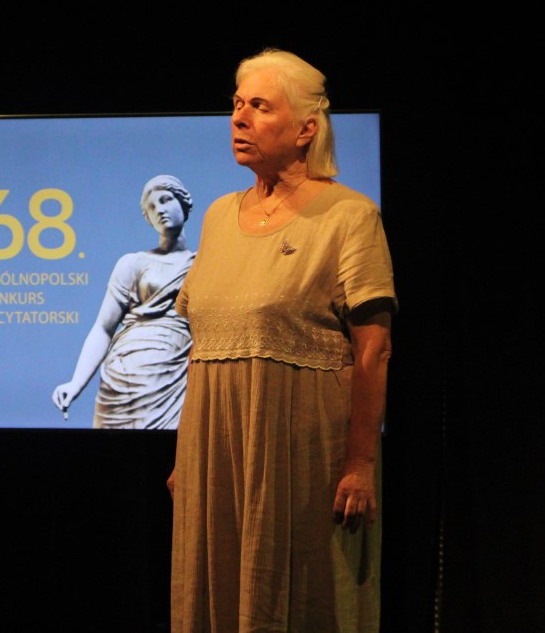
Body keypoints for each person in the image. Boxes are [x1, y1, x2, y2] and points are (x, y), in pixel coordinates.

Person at [168, 48, 397, 632]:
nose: (239, 118)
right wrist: (185, 457)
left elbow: (374, 349)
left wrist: (360, 464)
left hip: (303, 457)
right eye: (236, 104)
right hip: (216, 453)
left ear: (305, 129)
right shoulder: (217, 216)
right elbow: (201, 344)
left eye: (259, 106)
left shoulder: (349, 216)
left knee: (299, 600)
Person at [52, 174, 195, 429]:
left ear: (184, 203)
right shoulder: (132, 262)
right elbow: (103, 328)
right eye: (152, 207)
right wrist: (76, 383)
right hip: (122, 377)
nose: (160, 209)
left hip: (173, 374)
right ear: (148, 218)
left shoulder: (202, 264)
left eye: (165, 200)